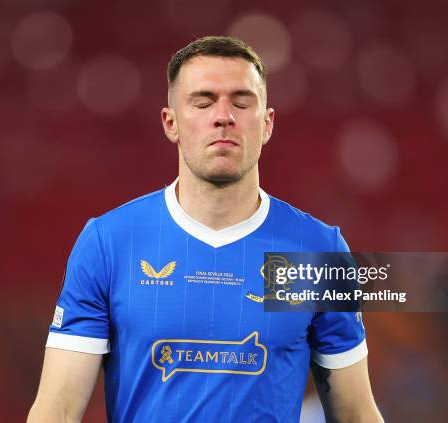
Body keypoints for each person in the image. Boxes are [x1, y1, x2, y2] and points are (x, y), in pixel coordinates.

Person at [27, 35, 383, 423]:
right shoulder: (110, 244)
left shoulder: (314, 251)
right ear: (171, 122)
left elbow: (355, 414)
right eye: (203, 101)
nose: (223, 116)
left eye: (241, 102)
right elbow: (57, 411)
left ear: (267, 124)